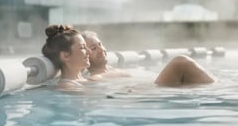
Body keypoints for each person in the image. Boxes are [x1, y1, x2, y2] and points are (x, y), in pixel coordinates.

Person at [81, 30, 215, 87]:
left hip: (158, 86)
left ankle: (218, 85)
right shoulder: (96, 76)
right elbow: (89, 82)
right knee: (180, 62)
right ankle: (218, 86)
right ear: (85, 54)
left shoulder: (111, 69)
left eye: (100, 44)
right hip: (154, 90)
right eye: (93, 48)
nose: (101, 49)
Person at [41, 24, 91, 90]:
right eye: (82, 47)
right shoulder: (67, 86)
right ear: (65, 56)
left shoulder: (82, 78)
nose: (89, 51)